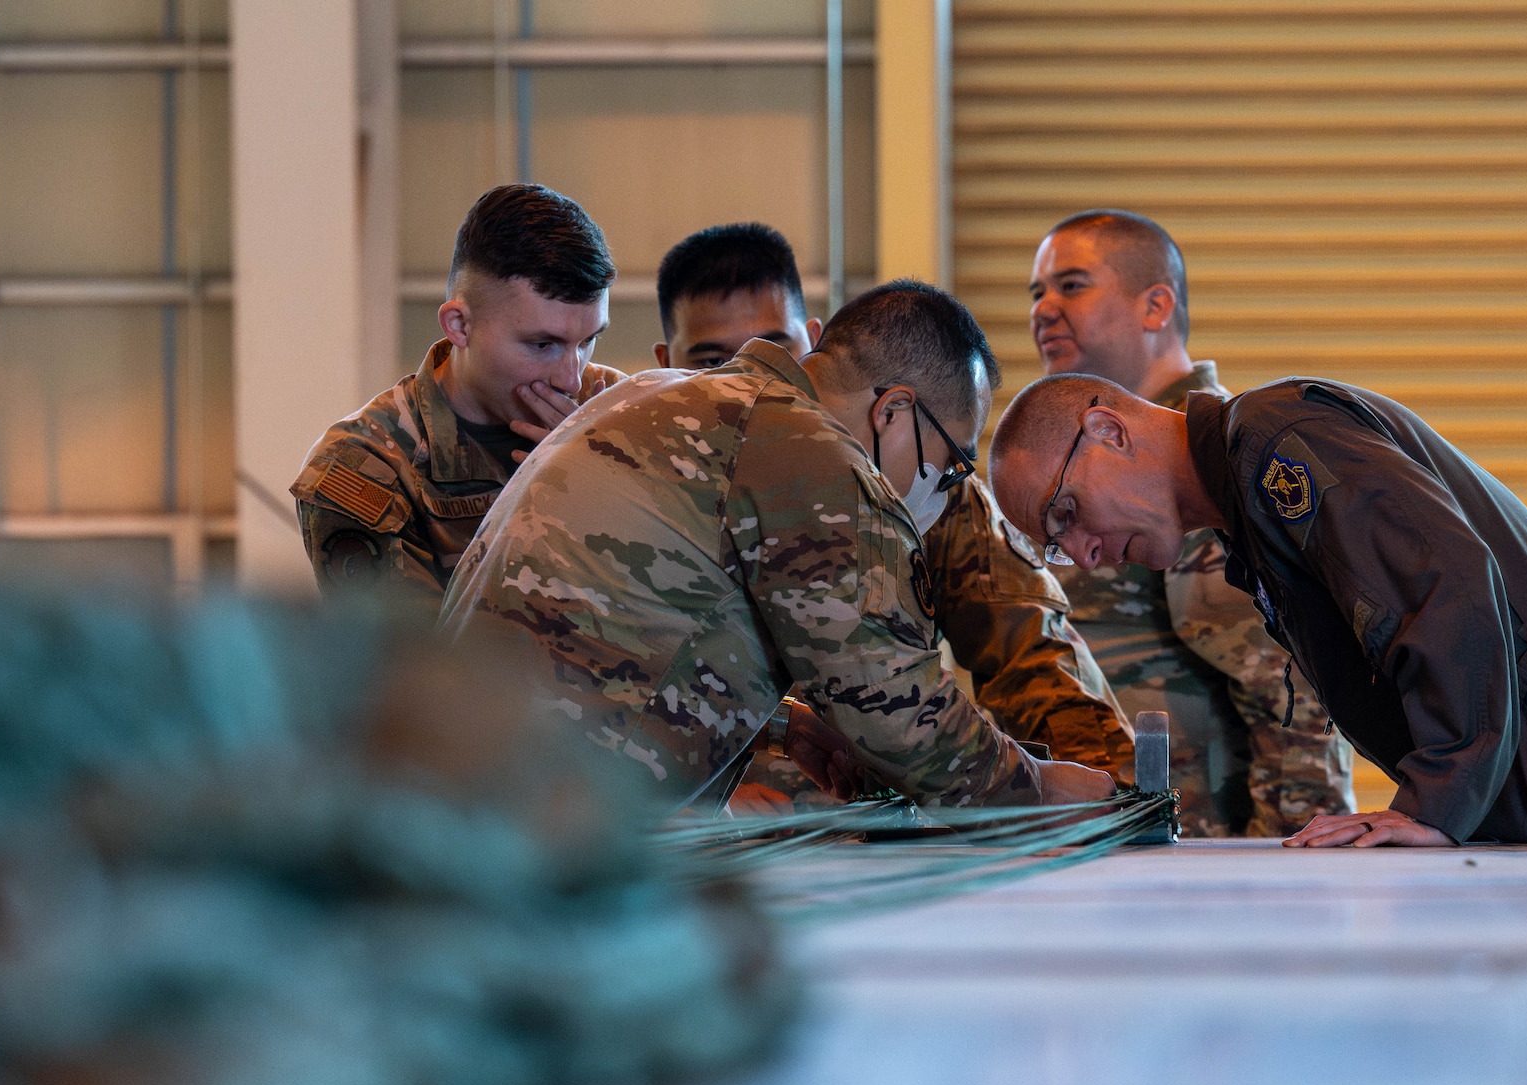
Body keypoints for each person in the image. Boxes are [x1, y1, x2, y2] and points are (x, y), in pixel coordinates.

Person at [987, 371, 1527, 1085]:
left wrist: (1434, 800)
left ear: (1108, 429)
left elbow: (1449, 584)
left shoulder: (1275, 441)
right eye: (1056, 546)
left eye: (1064, 513)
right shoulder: (1249, 500)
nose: (1083, 554)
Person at [442, 280, 1117, 811]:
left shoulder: (672, 396)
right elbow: (900, 715)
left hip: (462, 798)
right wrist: (1045, 786)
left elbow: (620, 632)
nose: (945, 490)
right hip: (539, 833)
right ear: (893, 413)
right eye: (952, 461)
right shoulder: (815, 453)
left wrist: (781, 723)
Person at [652, 224, 1130, 807]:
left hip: (864, 838)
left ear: (811, 345)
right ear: (666, 360)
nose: (751, 383)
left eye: (772, 349)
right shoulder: (665, 468)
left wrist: (1109, 798)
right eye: (713, 359)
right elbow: (892, 702)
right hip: (684, 837)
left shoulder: (928, 485)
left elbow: (1030, 652)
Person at [1029, 209, 1352, 835]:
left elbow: (1289, 695)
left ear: (1156, 306)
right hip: (1135, 852)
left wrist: (1287, 875)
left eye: (1071, 285)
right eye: (1036, 291)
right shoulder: (1107, 459)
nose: (1043, 308)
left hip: (1203, 863)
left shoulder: (1194, 465)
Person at [291, 184, 625, 610]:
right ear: (460, 326)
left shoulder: (618, 408)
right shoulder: (366, 468)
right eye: (543, 345)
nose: (572, 379)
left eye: (588, 341)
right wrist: (557, 505)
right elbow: (423, 668)